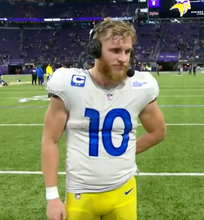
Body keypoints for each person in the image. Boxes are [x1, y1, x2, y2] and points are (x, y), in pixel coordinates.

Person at [41, 18, 166, 220]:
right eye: (116, 50)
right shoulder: (69, 84)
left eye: (127, 52)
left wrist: (124, 152)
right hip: (80, 193)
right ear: (95, 50)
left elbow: (158, 132)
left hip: (123, 190)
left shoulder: (141, 86)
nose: (124, 59)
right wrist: (52, 197)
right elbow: (50, 140)